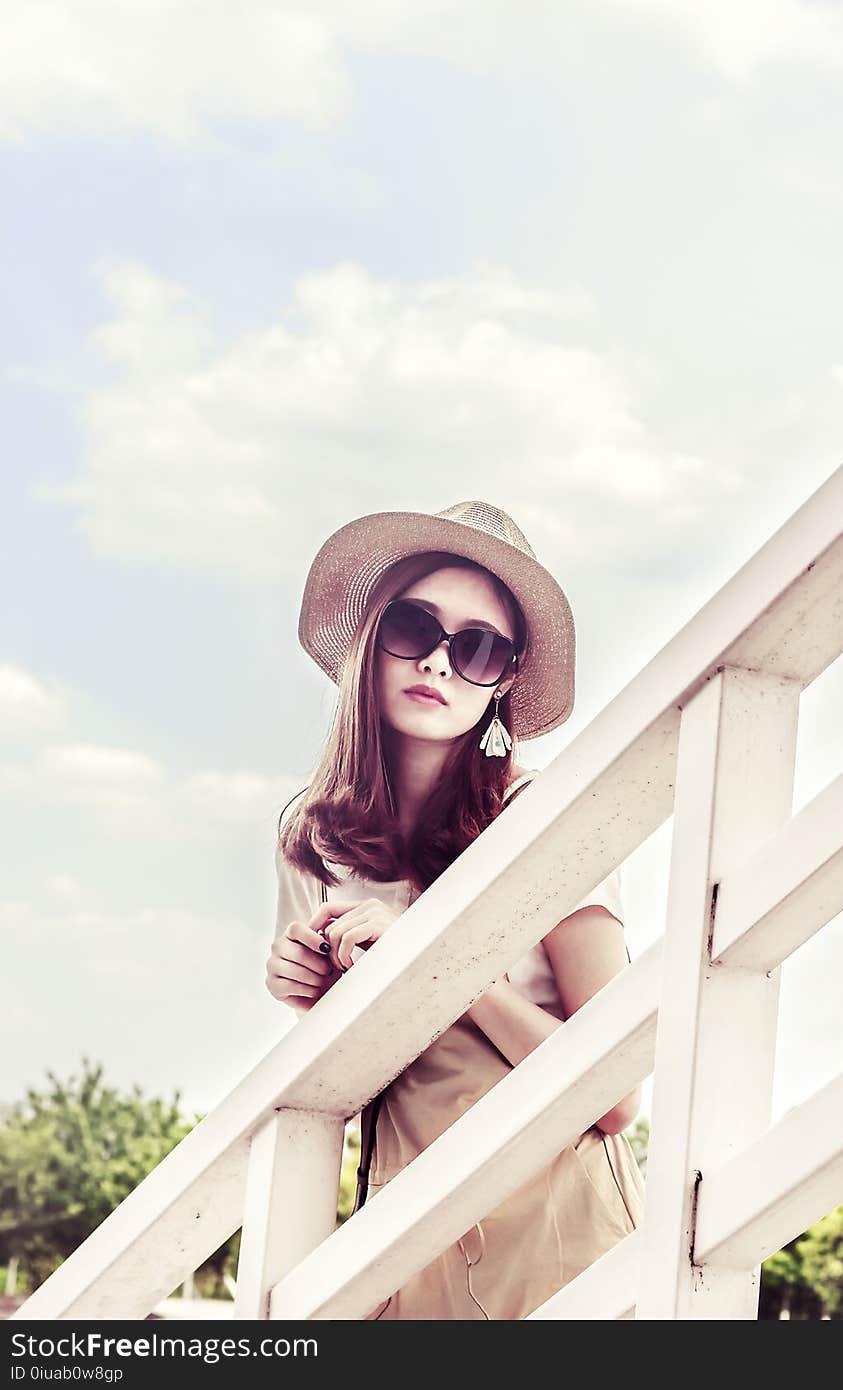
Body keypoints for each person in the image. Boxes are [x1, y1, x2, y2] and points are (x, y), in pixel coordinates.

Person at [266, 499, 645, 1320]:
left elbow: (616, 1098)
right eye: (413, 627)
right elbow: (357, 1073)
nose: (438, 663)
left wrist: (432, 960)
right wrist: (308, 993)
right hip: (409, 1230)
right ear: (372, 637)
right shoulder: (314, 838)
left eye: (476, 647)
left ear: (504, 681)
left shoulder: (542, 819)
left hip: (562, 1231)